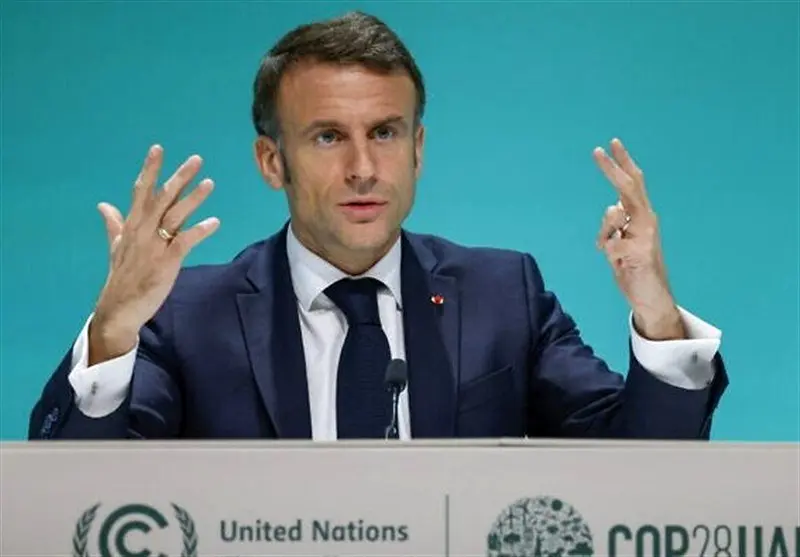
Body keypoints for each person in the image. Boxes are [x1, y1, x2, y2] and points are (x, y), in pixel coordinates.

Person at [28, 11, 727, 441]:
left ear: (418, 149)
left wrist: (658, 316)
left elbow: (637, 471)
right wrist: (112, 330)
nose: (364, 168)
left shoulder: (503, 296)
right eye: (329, 137)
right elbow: (84, 502)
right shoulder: (186, 315)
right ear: (272, 161)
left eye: (386, 133)